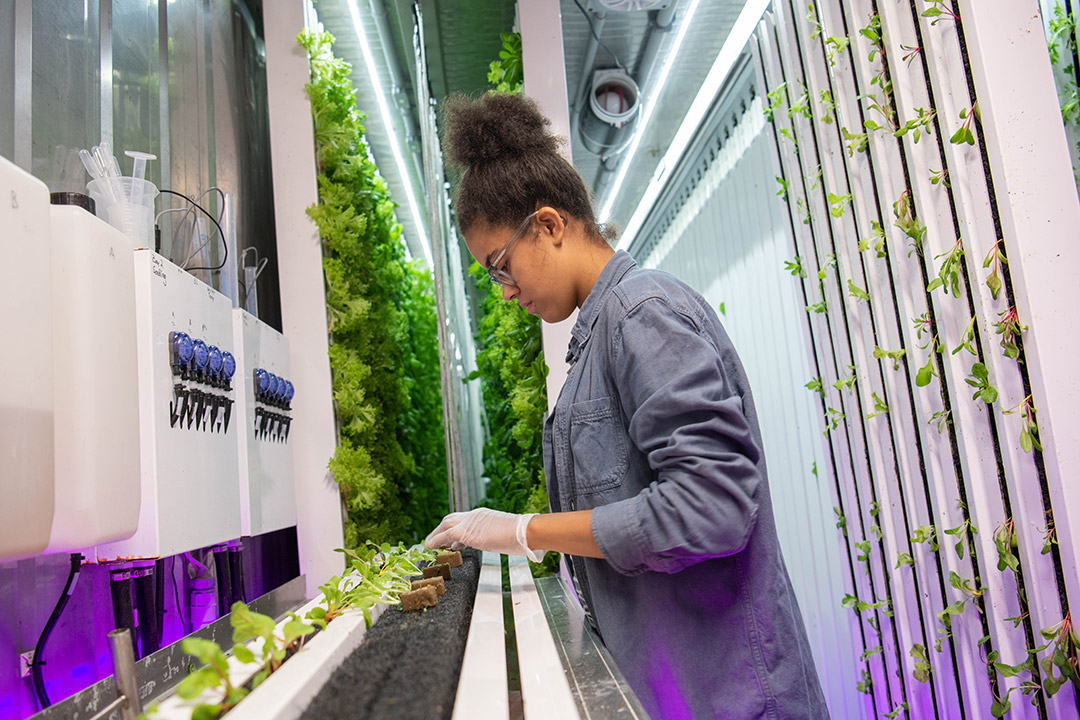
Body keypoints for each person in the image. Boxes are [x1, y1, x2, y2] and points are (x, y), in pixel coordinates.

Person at [424, 91, 829, 720]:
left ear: (551, 224)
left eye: (502, 267)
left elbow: (712, 505)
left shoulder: (643, 315)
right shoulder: (597, 336)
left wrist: (524, 531)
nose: (505, 293)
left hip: (732, 699)